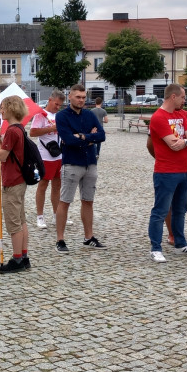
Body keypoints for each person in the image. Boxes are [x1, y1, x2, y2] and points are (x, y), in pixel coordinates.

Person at [147, 84, 187, 263]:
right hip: (166, 171)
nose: (184, 101)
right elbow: (173, 144)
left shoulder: (181, 115)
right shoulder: (159, 117)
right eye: (182, 97)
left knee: (180, 209)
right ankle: (156, 248)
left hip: (184, 169)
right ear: (173, 97)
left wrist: (184, 142)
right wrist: (186, 141)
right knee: (160, 210)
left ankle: (181, 243)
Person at [53, 83, 106, 253]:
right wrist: (90, 138)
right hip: (71, 163)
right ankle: (60, 240)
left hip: (90, 162)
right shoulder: (61, 116)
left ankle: (88, 237)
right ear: (70, 97)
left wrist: (83, 136)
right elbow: (68, 140)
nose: (81, 100)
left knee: (88, 201)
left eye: (83, 97)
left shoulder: (90, 114)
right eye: (78, 97)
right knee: (65, 201)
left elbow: (102, 135)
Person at [0, 95, 31, 273]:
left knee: (14, 222)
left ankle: (17, 260)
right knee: (21, 220)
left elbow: (2, 155)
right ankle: (24, 256)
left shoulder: (12, 131)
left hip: (12, 181)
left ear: (10, 108)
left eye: (2, 107)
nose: (1, 111)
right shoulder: (19, 129)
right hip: (20, 179)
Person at [29, 90, 66, 230]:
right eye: (56, 104)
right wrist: (51, 128)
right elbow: (33, 132)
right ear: (50, 100)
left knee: (57, 186)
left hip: (59, 155)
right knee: (43, 185)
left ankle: (57, 214)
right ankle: (40, 216)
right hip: (45, 156)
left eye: (60, 105)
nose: (58, 107)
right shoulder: (40, 115)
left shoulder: (60, 115)